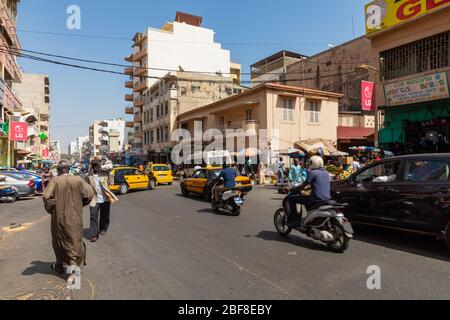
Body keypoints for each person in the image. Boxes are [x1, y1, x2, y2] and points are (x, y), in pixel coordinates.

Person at [42, 160, 95, 274]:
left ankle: (69, 271)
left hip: (59, 217)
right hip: (75, 217)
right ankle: (62, 267)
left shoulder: (55, 181)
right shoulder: (78, 180)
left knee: (59, 241)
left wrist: (53, 208)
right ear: (69, 169)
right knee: (74, 242)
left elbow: (46, 196)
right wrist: (81, 204)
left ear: (58, 170)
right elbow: (90, 193)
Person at [286, 156, 331, 228]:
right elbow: (317, 184)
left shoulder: (312, 173)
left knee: (291, 199)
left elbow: (303, 185)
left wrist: (293, 189)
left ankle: (295, 220)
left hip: (315, 199)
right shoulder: (326, 173)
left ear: (313, 163)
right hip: (327, 199)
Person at [86, 160, 118, 242]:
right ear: (92, 167)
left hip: (105, 198)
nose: (96, 167)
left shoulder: (104, 174)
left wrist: (110, 172)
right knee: (93, 217)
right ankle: (94, 235)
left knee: (105, 215)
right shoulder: (89, 175)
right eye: (94, 166)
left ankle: (103, 228)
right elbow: (86, 186)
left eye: (97, 165)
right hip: (94, 199)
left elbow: (111, 183)